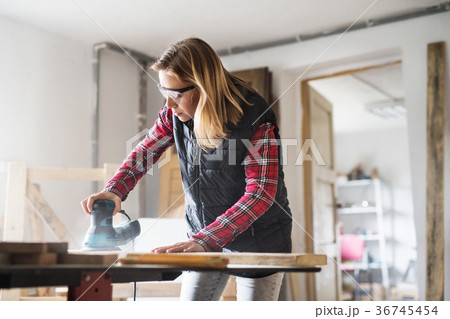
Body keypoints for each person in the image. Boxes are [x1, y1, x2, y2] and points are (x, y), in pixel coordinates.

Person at [81, 38, 292, 301]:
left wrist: (206, 239)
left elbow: (260, 193)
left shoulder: (255, 117)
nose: (169, 105)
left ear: (204, 88)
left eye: (177, 94)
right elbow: (146, 150)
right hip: (204, 233)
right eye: (164, 92)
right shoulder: (175, 113)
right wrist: (115, 190)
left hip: (260, 238)